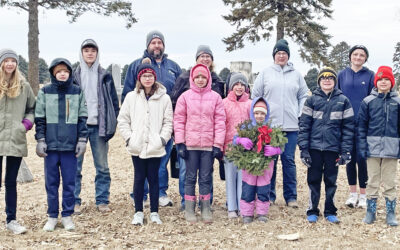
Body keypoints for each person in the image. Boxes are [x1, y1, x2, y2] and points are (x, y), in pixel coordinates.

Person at [123, 30, 181, 207]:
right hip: (141, 123)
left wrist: (170, 129)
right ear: (147, 45)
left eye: (159, 42)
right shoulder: (135, 65)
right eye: (153, 42)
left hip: (163, 121)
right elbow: (127, 93)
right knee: (141, 162)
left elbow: (180, 94)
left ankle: (161, 193)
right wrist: (131, 132)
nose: (157, 45)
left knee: (161, 161)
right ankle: (140, 194)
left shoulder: (173, 67)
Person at [252, 39, 309, 207]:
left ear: (288, 55)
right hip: (270, 126)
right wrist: (260, 117)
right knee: (271, 160)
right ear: (274, 56)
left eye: (284, 53)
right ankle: (269, 195)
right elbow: (256, 95)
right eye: (278, 53)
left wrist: (299, 113)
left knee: (289, 161)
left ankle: (291, 197)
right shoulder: (265, 73)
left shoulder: (296, 74)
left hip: (291, 126)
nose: (281, 56)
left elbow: (303, 95)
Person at [35, 58, 88, 231]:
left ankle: (67, 215)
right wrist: (40, 139)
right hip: (50, 147)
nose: (62, 74)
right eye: (59, 71)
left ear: (70, 73)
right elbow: (40, 118)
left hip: (69, 147)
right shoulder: (45, 92)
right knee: (51, 183)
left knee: (69, 182)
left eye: (65, 71)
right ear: (53, 73)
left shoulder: (77, 92)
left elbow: (82, 118)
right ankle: (51, 215)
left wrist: (81, 139)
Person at [118, 59, 173, 225]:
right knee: (139, 177)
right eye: (144, 76)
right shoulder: (131, 97)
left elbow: (168, 122)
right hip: (137, 144)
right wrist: (129, 138)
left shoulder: (164, 98)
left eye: (150, 75)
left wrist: (162, 139)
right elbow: (123, 120)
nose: (148, 79)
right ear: (139, 78)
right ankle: (139, 212)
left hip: (155, 144)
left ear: (154, 78)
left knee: (154, 178)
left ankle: (155, 212)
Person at [171, 45, 225, 211]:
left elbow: (220, 119)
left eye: (208, 56)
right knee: (188, 174)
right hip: (190, 141)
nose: (205, 59)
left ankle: (206, 204)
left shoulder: (217, 84)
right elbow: (178, 116)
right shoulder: (184, 86)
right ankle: (187, 204)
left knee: (206, 175)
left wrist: (218, 143)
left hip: (208, 141)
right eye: (202, 56)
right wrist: (179, 140)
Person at [298, 67, 354, 224]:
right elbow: (304, 126)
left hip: (333, 149)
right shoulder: (311, 100)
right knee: (313, 180)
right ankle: (312, 210)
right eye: (323, 78)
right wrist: (304, 149)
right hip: (314, 148)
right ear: (319, 81)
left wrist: (346, 151)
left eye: (330, 78)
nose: (327, 80)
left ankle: (330, 210)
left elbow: (348, 128)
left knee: (331, 181)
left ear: (335, 81)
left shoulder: (344, 101)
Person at [73, 39, 120, 214]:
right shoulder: (74, 75)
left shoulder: (104, 75)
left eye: (93, 50)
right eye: (86, 50)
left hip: (98, 126)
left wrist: (111, 122)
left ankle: (102, 200)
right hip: (79, 127)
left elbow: (114, 102)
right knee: (75, 166)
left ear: (97, 53)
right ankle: (74, 201)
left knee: (102, 166)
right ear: (81, 53)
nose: (90, 53)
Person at [358, 66, 399, 226]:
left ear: (391, 82)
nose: (383, 82)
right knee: (372, 180)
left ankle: (390, 213)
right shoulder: (368, 102)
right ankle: (370, 212)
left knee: (389, 182)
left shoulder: (397, 102)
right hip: (372, 148)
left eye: (386, 79)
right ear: (376, 82)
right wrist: (362, 147)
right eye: (380, 79)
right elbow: (361, 126)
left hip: (391, 148)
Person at [0, 49, 35, 234]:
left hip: (15, 137)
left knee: (11, 182)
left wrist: (26, 124)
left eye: (13, 61)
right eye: (7, 60)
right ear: (1, 63)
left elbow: (32, 108)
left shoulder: (24, 86)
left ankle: (11, 219)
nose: (10, 64)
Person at [337, 45, 374, 209]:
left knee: (362, 158)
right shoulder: (342, 75)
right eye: (355, 54)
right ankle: (352, 194)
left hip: (363, 124)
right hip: (346, 123)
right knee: (349, 158)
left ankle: (364, 195)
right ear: (350, 56)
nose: (358, 57)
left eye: (362, 55)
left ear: (365, 58)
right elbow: (337, 96)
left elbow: (373, 98)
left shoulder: (370, 75)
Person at [235, 97, 281, 223]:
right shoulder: (247, 127)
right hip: (249, 165)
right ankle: (247, 213)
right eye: (256, 113)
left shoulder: (271, 128)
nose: (259, 116)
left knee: (263, 187)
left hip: (266, 165)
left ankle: (262, 212)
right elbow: (235, 139)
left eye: (262, 113)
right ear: (252, 113)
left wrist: (275, 150)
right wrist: (240, 140)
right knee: (248, 187)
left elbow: (281, 145)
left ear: (266, 114)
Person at [222, 72, 251, 219]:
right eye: (236, 84)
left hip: (245, 149)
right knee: (230, 177)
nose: (239, 87)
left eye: (242, 85)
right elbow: (221, 125)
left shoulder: (250, 104)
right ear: (231, 86)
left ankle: (242, 206)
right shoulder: (224, 103)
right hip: (229, 148)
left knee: (243, 178)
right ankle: (231, 207)